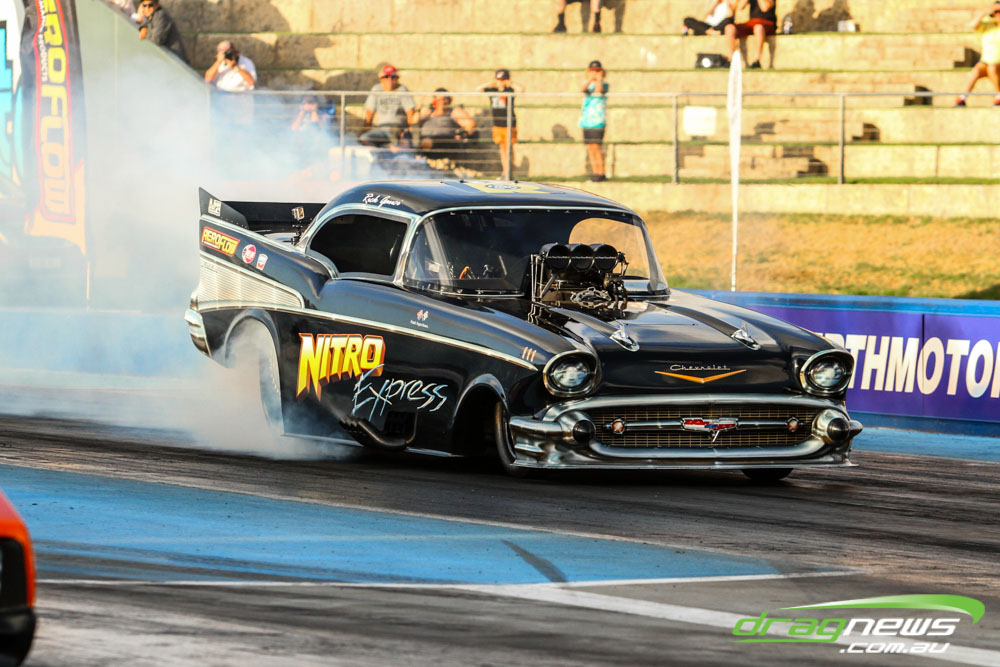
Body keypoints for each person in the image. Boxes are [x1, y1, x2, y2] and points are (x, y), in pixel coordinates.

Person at [477, 69, 524, 178]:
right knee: (502, 150)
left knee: (509, 149)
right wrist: (491, 83)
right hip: (497, 124)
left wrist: (510, 83)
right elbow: (478, 89)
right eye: (499, 79)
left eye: (503, 79)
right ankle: (505, 172)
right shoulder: (492, 90)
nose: (501, 82)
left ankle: (509, 172)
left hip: (509, 124)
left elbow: (521, 89)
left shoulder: (509, 90)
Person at [360, 65, 416, 147]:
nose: (389, 80)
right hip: (381, 130)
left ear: (397, 79)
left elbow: (410, 113)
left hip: (398, 130)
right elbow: (369, 114)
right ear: (381, 79)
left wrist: (411, 134)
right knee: (364, 139)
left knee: (398, 145)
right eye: (386, 77)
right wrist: (365, 132)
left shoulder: (402, 89)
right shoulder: (376, 89)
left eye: (393, 77)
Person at [957, 3, 1000, 106]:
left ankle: (998, 95)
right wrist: (986, 12)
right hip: (986, 61)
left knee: (992, 69)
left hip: (997, 62)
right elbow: (972, 25)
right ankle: (963, 98)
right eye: (996, 12)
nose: (998, 14)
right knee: (975, 72)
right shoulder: (988, 25)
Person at [417, 88, 478, 153]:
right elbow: (414, 122)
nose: (442, 102)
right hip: (426, 142)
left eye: (444, 99)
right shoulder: (428, 112)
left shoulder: (454, 112)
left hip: (445, 142)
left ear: (449, 100)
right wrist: (419, 108)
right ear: (434, 101)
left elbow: (471, 124)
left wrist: (463, 134)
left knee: (427, 142)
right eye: (439, 100)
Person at [724, 0, 777, 69]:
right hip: (752, 22)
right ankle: (731, 59)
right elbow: (740, 7)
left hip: (767, 23)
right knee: (730, 28)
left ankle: (757, 60)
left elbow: (765, 7)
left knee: (758, 28)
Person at [579, 61, 608, 182]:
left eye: (597, 71)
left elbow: (600, 90)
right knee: (590, 147)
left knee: (597, 146)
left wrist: (599, 80)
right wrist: (590, 79)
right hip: (586, 120)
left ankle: (601, 172)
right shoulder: (586, 84)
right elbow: (582, 89)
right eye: (592, 71)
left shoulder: (605, 84)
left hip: (598, 121)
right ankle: (595, 172)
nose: (595, 73)